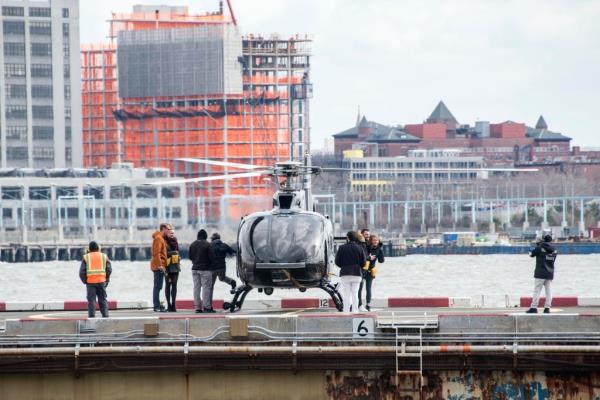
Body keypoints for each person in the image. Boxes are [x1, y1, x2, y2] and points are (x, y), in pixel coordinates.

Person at [335, 231, 367, 313]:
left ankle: (346, 311)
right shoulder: (360, 248)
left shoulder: (341, 248)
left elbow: (337, 262)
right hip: (357, 274)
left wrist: (344, 266)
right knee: (355, 293)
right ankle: (355, 311)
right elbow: (364, 263)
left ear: (347, 238)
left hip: (345, 273)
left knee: (346, 294)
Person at [79, 241, 112, 318]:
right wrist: (106, 279)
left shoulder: (86, 257)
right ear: (98, 248)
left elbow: (81, 272)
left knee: (91, 301)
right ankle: (105, 316)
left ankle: (92, 317)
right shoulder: (104, 256)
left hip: (90, 282)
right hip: (101, 281)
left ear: (89, 249)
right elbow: (109, 269)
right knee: (103, 299)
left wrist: (85, 281)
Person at [526, 235, 557, 314]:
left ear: (543, 240)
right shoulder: (554, 250)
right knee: (549, 291)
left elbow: (531, 254)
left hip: (540, 273)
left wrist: (536, 247)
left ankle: (534, 307)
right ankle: (547, 308)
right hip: (550, 273)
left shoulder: (539, 248)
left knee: (537, 291)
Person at [189, 229, 216, 313]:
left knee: (196, 288)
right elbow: (212, 258)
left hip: (195, 269)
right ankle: (207, 307)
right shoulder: (208, 245)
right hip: (206, 269)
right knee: (206, 288)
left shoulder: (192, 244)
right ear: (205, 236)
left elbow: (190, 257)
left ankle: (197, 308)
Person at [358, 233, 385, 311]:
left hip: (371, 271)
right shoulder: (366, 247)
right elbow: (362, 257)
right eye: (374, 240)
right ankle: (359, 304)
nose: (376, 241)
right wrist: (369, 257)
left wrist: (381, 251)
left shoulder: (379, 249)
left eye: (377, 240)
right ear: (371, 241)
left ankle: (368, 304)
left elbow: (381, 261)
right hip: (363, 270)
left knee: (368, 288)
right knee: (360, 288)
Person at [150, 223, 169, 312]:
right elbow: (156, 253)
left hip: (159, 266)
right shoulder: (158, 238)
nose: (169, 231)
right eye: (168, 229)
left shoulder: (160, 238)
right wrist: (160, 265)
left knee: (158, 287)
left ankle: (157, 305)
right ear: (163, 229)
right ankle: (157, 306)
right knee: (157, 287)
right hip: (158, 267)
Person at [164, 225, 181, 312]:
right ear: (167, 234)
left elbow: (178, 252)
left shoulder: (175, 241)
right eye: (170, 233)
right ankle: (168, 304)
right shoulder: (164, 242)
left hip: (175, 265)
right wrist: (174, 252)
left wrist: (177, 256)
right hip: (167, 266)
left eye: (173, 233)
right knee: (168, 285)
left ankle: (173, 305)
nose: (172, 235)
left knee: (174, 285)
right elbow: (164, 253)